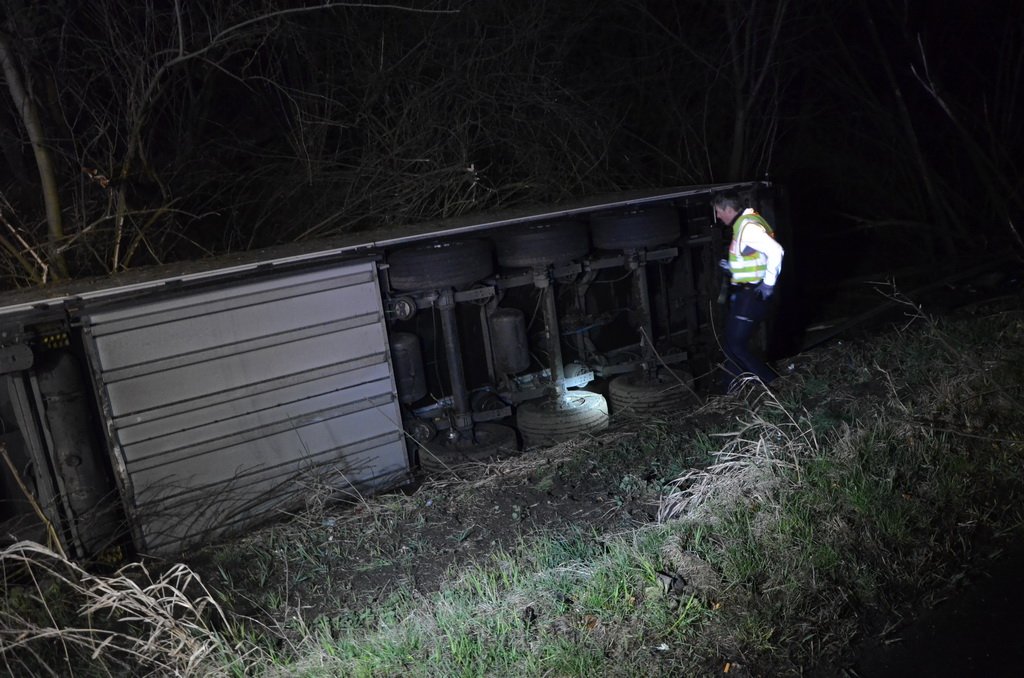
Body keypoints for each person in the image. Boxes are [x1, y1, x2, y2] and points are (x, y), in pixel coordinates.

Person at [713, 191, 785, 391]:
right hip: (747, 292)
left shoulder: (748, 228)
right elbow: (755, 258)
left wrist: (769, 283)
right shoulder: (743, 226)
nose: (718, 216)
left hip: (753, 294)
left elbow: (776, 251)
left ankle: (773, 382)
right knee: (730, 344)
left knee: (735, 345)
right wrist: (732, 268)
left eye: (719, 211)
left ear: (729, 209)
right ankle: (732, 388)